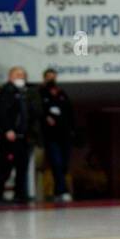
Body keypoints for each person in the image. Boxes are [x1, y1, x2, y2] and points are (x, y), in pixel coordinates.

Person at [0, 66, 41, 204]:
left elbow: (34, 113)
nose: (20, 77)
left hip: (24, 135)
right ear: (10, 77)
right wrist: (8, 129)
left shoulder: (28, 92)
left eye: (22, 75)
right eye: (17, 74)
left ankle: (19, 194)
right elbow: (2, 112)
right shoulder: (6, 91)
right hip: (10, 135)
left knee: (22, 167)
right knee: (5, 167)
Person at [41, 68, 74, 202]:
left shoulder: (61, 93)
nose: (51, 79)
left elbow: (69, 112)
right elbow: (39, 111)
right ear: (44, 78)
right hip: (51, 136)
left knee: (64, 164)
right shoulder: (40, 93)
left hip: (64, 135)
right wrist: (46, 118)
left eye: (53, 76)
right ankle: (62, 191)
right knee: (57, 163)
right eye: (48, 77)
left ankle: (57, 191)